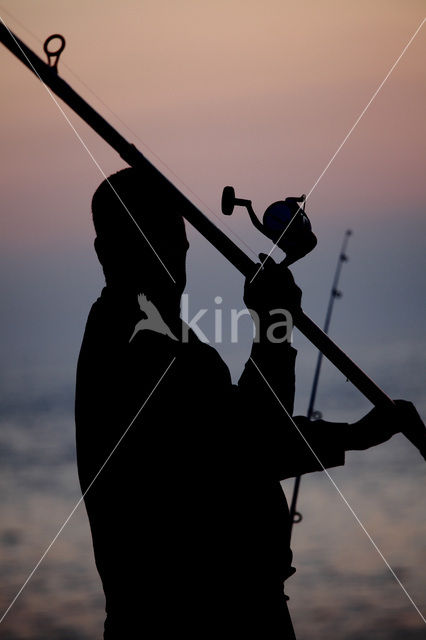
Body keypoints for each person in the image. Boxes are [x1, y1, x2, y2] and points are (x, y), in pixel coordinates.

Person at [75, 167, 412, 639]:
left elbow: (231, 441)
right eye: (153, 238)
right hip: (204, 618)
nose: (176, 253)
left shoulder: (149, 337)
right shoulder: (139, 349)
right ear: (105, 252)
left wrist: (355, 436)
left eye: (176, 236)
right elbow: (254, 442)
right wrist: (274, 327)